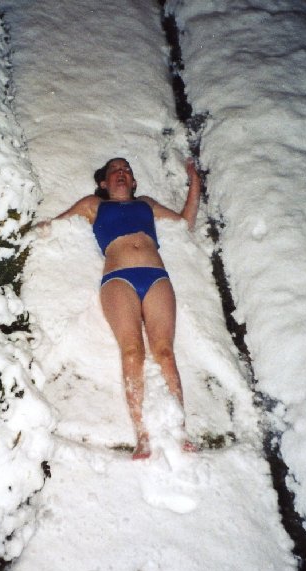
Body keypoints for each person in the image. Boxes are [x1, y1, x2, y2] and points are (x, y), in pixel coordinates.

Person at [37, 157, 201, 459]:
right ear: (104, 182)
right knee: (132, 351)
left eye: (126, 170)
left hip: (156, 277)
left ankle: (179, 429)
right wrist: (35, 229)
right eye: (115, 170)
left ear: (134, 182)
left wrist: (195, 183)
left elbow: (184, 223)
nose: (121, 173)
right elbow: (56, 224)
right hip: (118, 280)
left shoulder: (147, 205)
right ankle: (143, 435)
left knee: (164, 351)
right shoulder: (94, 205)